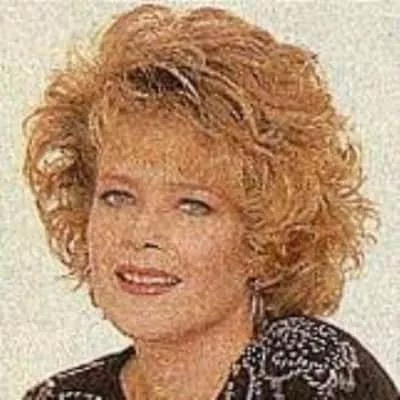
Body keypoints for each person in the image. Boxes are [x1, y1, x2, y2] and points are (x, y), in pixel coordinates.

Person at [21, 3, 399, 400]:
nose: (141, 232)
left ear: (266, 241)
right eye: (118, 197)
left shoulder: (310, 376)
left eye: (192, 205)